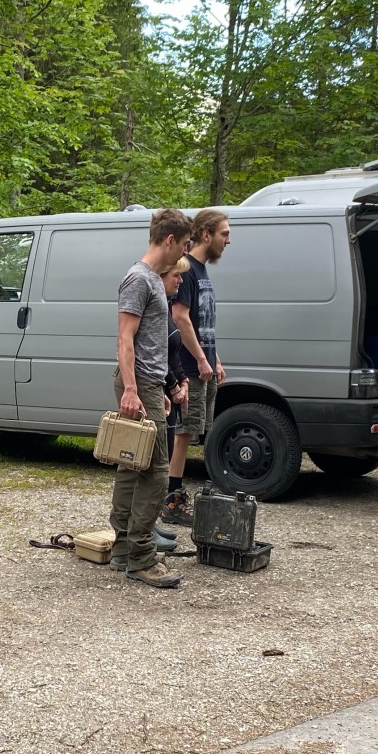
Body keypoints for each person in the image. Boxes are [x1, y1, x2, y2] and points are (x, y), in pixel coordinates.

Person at [109, 208, 192, 587]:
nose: (185, 252)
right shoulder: (139, 279)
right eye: (185, 244)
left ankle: (123, 548)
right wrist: (132, 389)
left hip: (148, 384)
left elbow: (152, 342)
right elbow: (125, 338)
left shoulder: (156, 281)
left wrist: (161, 387)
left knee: (132, 465)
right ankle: (142, 557)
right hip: (137, 383)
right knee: (156, 472)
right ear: (169, 240)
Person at [163, 208, 231, 525]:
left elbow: (203, 323)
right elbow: (180, 317)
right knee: (183, 431)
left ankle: (174, 493)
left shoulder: (202, 270)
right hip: (190, 366)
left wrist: (214, 357)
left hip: (203, 363)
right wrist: (201, 359)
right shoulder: (187, 269)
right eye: (224, 234)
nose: (228, 241)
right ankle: (172, 498)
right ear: (207, 235)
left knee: (192, 431)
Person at [151, 258, 192, 553]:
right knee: (151, 464)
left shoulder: (166, 305)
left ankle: (150, 522)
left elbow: (173, 352)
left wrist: (184, 380)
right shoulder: (156, 309)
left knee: (160, 462)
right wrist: (173, 386)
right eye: (177, 276)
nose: (180, 281)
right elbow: (156, 353)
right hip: (157, 390)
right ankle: (143, 526)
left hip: (170, 390)